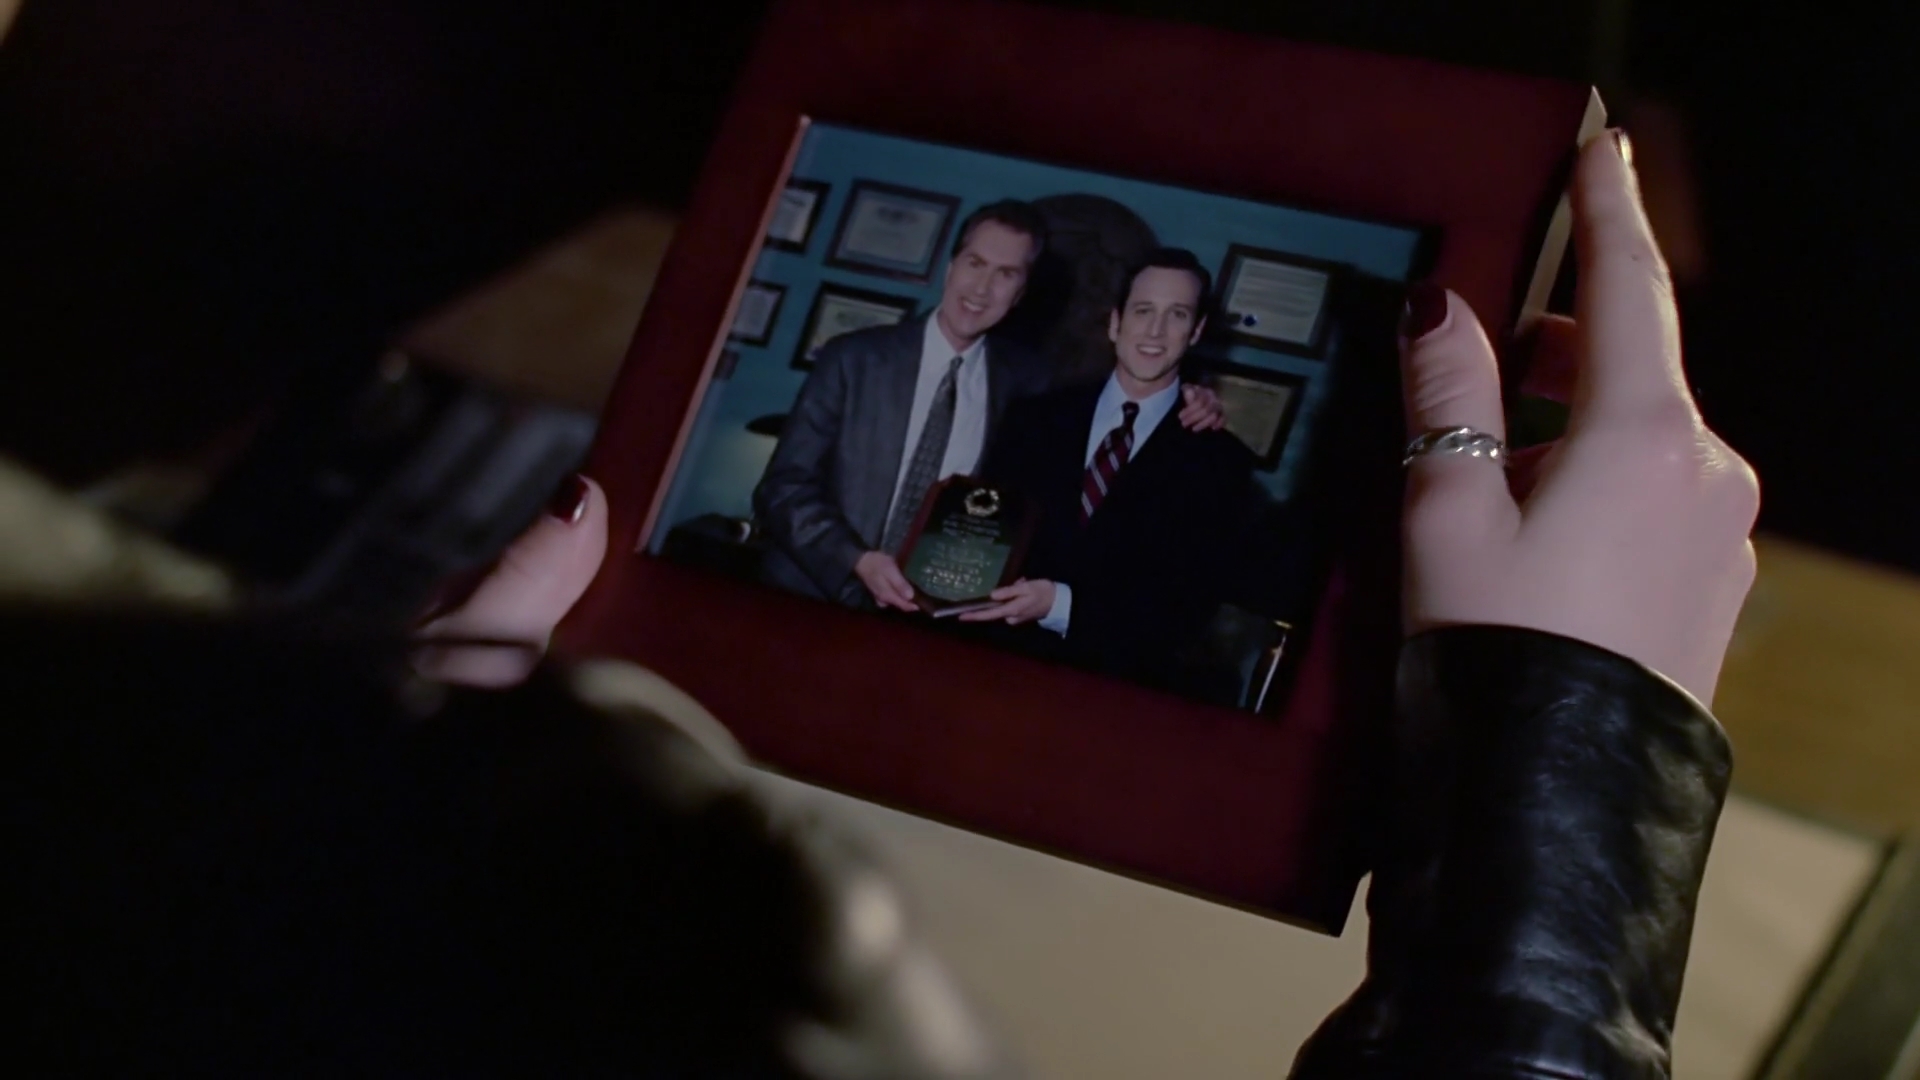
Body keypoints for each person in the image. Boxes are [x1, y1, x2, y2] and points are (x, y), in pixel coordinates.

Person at [1, 2, 1757, 1061]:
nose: (1123, 329)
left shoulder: (1179, 441)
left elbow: (1177, 584)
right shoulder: (915, 382)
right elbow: (822, 504)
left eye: (1165, 316)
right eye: (1120, 309)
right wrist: (1556, 863)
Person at [752, 199, 1226, 613]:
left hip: (930, 623)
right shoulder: (852, 358)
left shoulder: (1030, 386)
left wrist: (1189, 399)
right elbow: (782, 487)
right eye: (975, 263)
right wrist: (856, 561)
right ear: (950, 267)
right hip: (805, 598)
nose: (982, 288)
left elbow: (1120, 399)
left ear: (1021, 292)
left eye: (1006, 274)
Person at [964, 247, 1256, 692]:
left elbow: (1187, 609)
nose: (1155, 330)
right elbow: (982, 537)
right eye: (1143, 310)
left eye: (1177, 315)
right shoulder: (1033, 418)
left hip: (1113, 689)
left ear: (1196, 331)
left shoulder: (1221, 462)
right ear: (1115, 322)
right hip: (992, 667)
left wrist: (1060, 605)